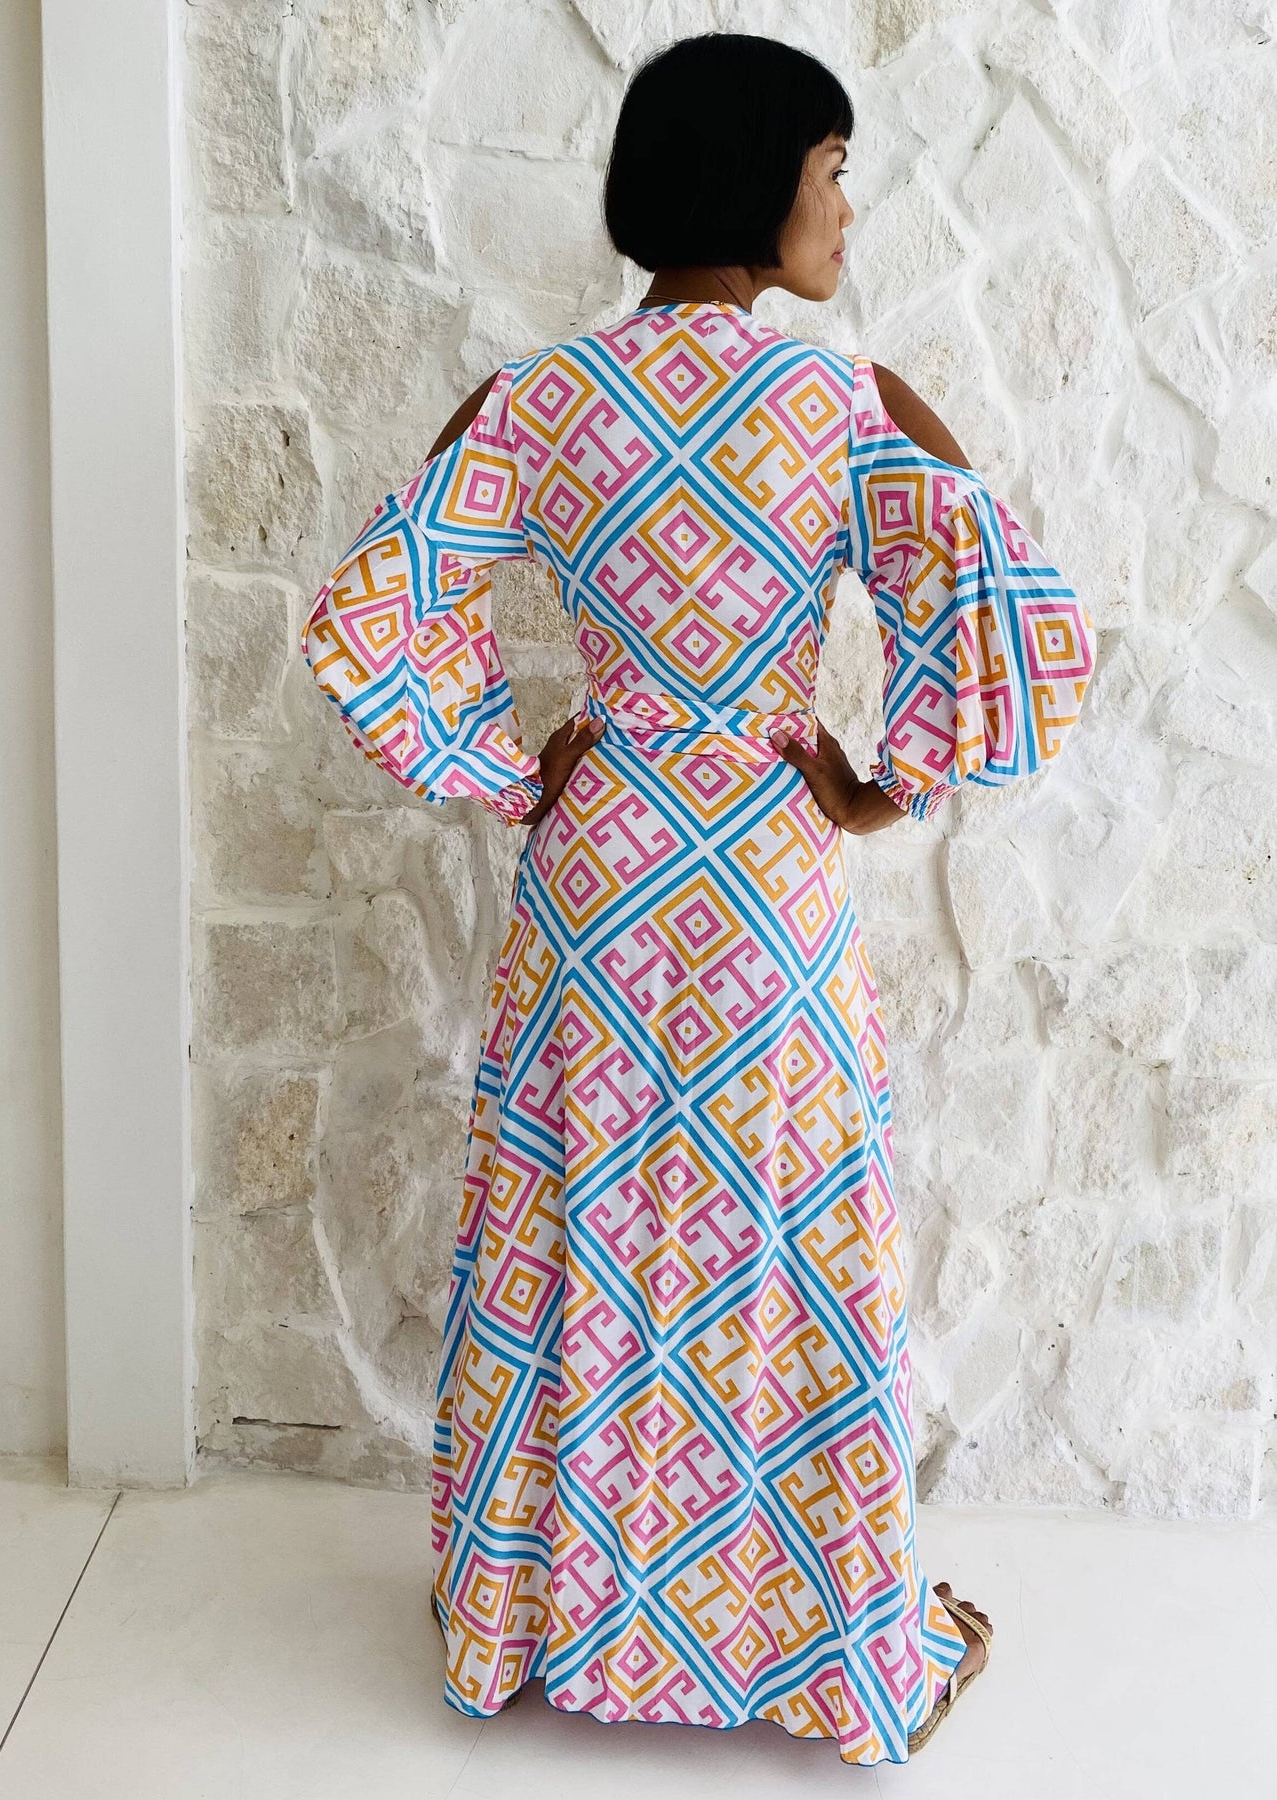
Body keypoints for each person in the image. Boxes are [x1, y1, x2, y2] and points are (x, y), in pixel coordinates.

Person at [302, 30, 1095, 1766]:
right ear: (760, 181)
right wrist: (878, 786)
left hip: (597, 878)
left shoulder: (539, 399)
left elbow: (369, 612)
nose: (848, 207)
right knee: (784, 1242)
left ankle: (522, 1615)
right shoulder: (842, 403)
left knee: (574, 1222)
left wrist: (510, 765)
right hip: (760, 875)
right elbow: (1014, 617)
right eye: (832, 170)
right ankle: (813, 1643)